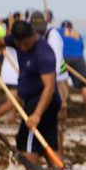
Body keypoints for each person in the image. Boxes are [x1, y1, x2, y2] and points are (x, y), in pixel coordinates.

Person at [0, 19, 61, 170]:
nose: (24, 47)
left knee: (28, 144)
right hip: (31, 100)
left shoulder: (44, 53)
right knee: (47, 144)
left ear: (33, 36)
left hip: (43, 102)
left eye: (26, 43)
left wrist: (36, 114)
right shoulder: (16, 41)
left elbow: (49, 87)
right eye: (20, 44)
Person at [31, 10, 69, 147]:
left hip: (58, 81)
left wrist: (47, 83)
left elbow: (56, 64)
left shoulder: (53, 37)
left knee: (57, 116)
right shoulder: (35, 35)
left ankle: (59, 153)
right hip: (45, 80)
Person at [59, 19, 86, 119]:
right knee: (84, 85)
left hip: (63, 59)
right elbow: (82, 48)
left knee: (61, 82)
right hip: (79, 59)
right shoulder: (77, 34)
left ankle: (63, 110)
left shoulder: (58, 32)